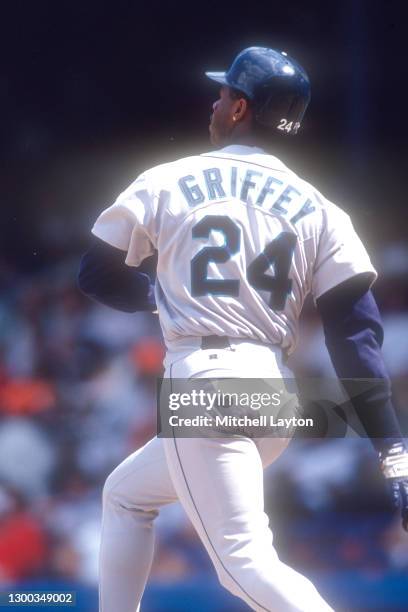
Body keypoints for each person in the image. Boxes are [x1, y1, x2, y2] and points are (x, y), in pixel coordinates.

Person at [79, 46, 408, 612]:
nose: (215, 101)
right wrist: (394, 450)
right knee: (126, 495)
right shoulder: (322, 208)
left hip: (206, 386)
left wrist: (159, 297)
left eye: (224, 93)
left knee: (243, 562)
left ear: (239, 110)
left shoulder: (170, 178)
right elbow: (355, 339)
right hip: (272, 396)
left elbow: (95, 274)